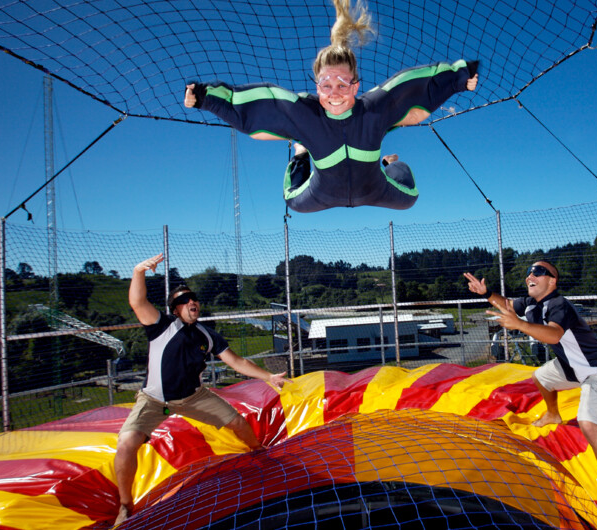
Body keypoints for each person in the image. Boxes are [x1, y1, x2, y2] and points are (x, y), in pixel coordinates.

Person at [184, 0, 479, 213]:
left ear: (356, 85)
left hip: (375, 187)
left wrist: (459, 78)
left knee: (410, 196)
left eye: (343, 85)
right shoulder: (305, 112)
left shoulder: (373, 107)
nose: (335, 93)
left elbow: (411, 86)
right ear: (316, 86)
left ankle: (389, 163)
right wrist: (205, 98)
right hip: (321, 193)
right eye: (326, 85)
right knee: (292, 200)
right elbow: (260, 105)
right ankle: (301, 154)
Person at [114, 253, 291, 525]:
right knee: (126, 444)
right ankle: (126, 505)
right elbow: (137, 302)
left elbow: (236, 361)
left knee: (239, 424)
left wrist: (268, 376)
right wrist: (139, 271)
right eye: (183, 300)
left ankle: (258, 452)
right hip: (153, 399)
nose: (191, 302)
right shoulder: (161, 326)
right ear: (175, 309)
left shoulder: (206, 335)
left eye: (193, 298)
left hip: (194, 397)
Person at [463, 262, 597, 530]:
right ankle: (553, 413)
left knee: (588, 424)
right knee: (541, 377)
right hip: (571, 369)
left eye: (538, 273)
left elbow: (554, 335)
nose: (530, 276)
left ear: (552, 281)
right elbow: (506, 304)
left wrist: (518, 325)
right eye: (530, 273)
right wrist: (487, 294)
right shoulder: (530, 303)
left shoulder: (559, 305)